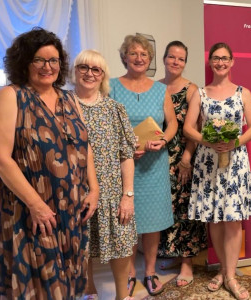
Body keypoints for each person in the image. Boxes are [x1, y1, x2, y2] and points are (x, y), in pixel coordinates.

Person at [0, 27, 99, 299]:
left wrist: (94, 188)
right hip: (31, 211)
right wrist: (36, 205)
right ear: (25, 63)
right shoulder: (12, 95)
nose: (48, 67)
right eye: (39, 60)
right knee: (39, 285)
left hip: (71, 208)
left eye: (53, 60)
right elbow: (1, 159)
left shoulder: (69, 98)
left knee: (66, 282)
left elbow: (83, 145)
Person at [183, 42, 251, 300]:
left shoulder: (242, 92)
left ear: (232, 61)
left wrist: (235, 141)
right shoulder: (200, 93)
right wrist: (208, 141)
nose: (220, 62)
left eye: (225, 58)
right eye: (216, 58)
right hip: (207, 162)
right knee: (214, 218)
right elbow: (188, 128)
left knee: (233, 219)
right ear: (210, 61)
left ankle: (231, 276)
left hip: (235, 161)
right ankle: (224, 270)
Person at [109, 34, 178, 297]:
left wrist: (164, 139)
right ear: (125, 56)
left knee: (152, 223)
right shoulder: (112, 87)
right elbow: (109, 127)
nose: (139, 58)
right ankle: (129, 274)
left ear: (150, 60)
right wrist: (127, 150)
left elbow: (171, 123)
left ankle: (149, 272)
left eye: (144, 54)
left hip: (155, 165)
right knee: (126, 221)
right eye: (133, 53)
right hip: (125, 166)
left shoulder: (161, 89)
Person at [72, 50, 137, 300]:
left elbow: (126, 154)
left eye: (96, 69)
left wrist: (128, 195)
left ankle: (123, 295)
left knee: (121, 244)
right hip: (76, 190)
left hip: (112, 191)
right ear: (74, 71)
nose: (89, 73)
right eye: (83, 67)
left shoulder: (114, 109)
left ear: (103, 76)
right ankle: (89, 290)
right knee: (82, 245)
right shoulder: (61, 105)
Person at [156, 41, 207, 286]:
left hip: (183, 157)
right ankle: (172, 252)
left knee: (185, 207)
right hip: (158, 158)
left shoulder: (190, 89)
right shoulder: (154, 87)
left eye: (181, 59)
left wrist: (186, 159)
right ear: (164, 59)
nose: (176, 62)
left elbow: (194, 127)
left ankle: (187, 263)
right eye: (172, 57)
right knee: (167, 206)